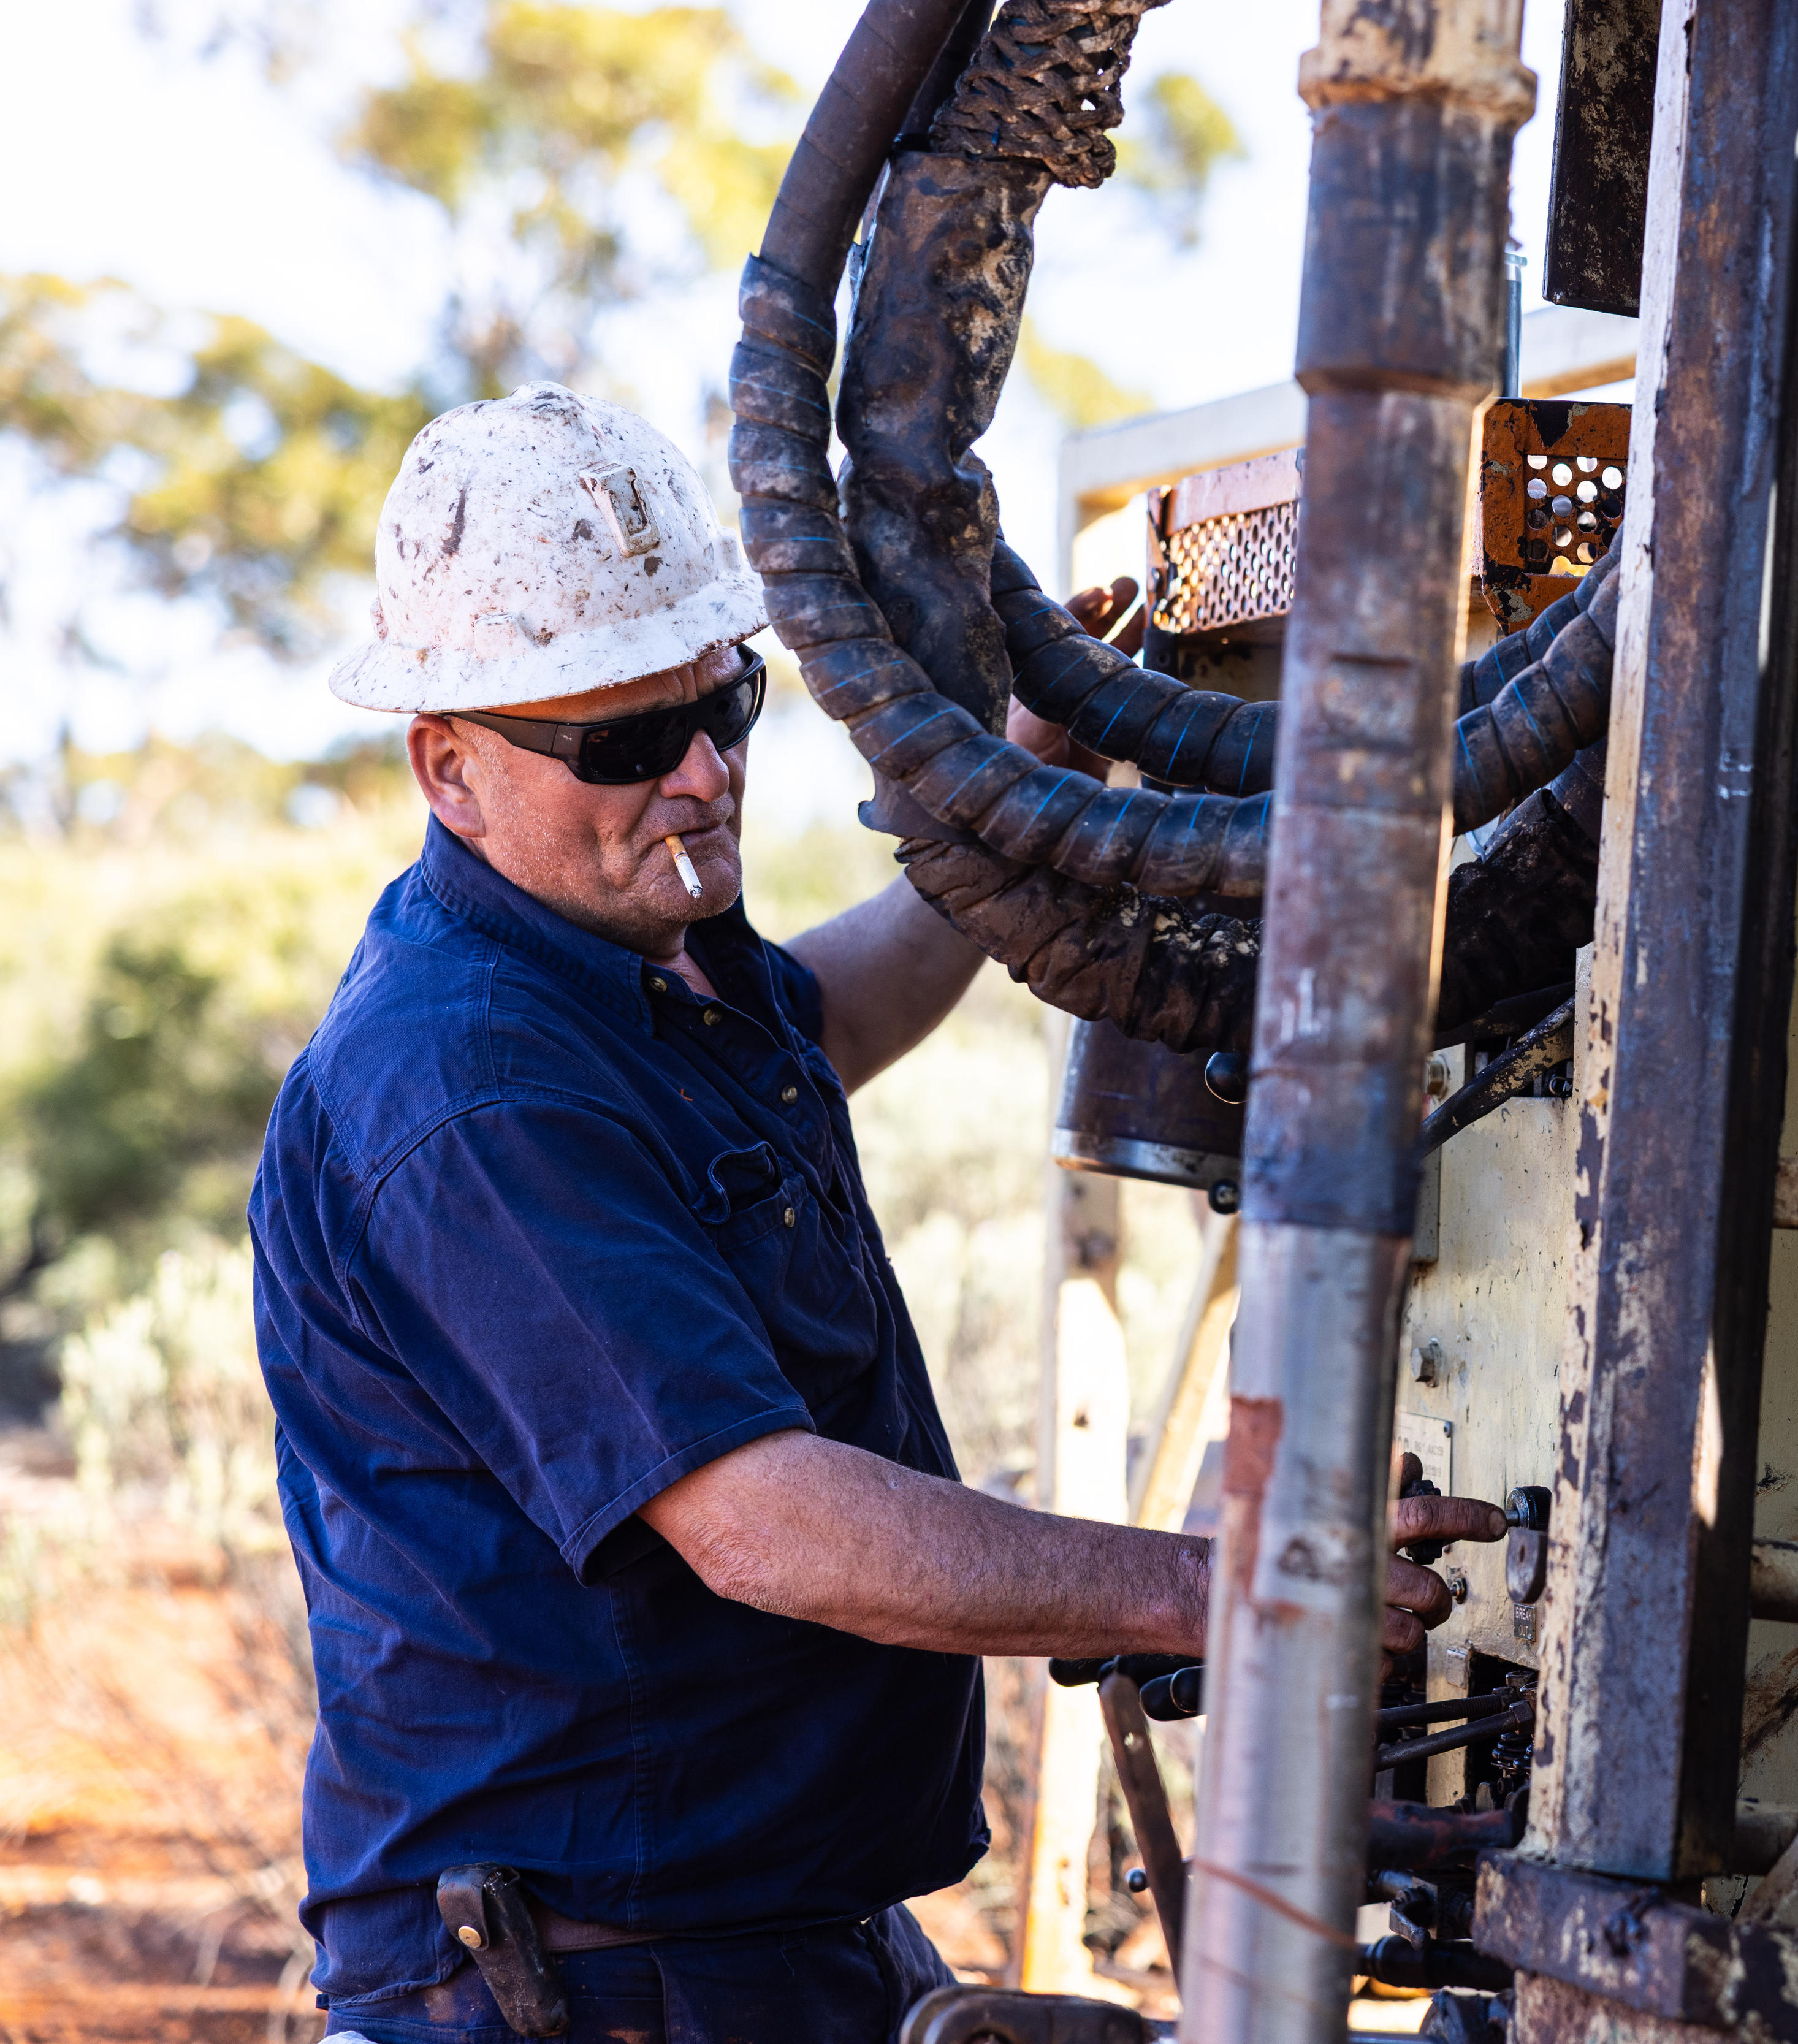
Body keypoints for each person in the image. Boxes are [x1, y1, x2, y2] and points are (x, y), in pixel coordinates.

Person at [250, 383, 1503, 2043]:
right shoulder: (472, 1089)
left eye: (730, 704)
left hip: (753, 1949)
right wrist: (1232, 1581)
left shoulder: (642, 960)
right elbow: (767, 1523)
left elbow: (827, 1015)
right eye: (628, 745)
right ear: (452, 768)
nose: (704, 777)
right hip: (583, 1992)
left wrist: (1002, 799)